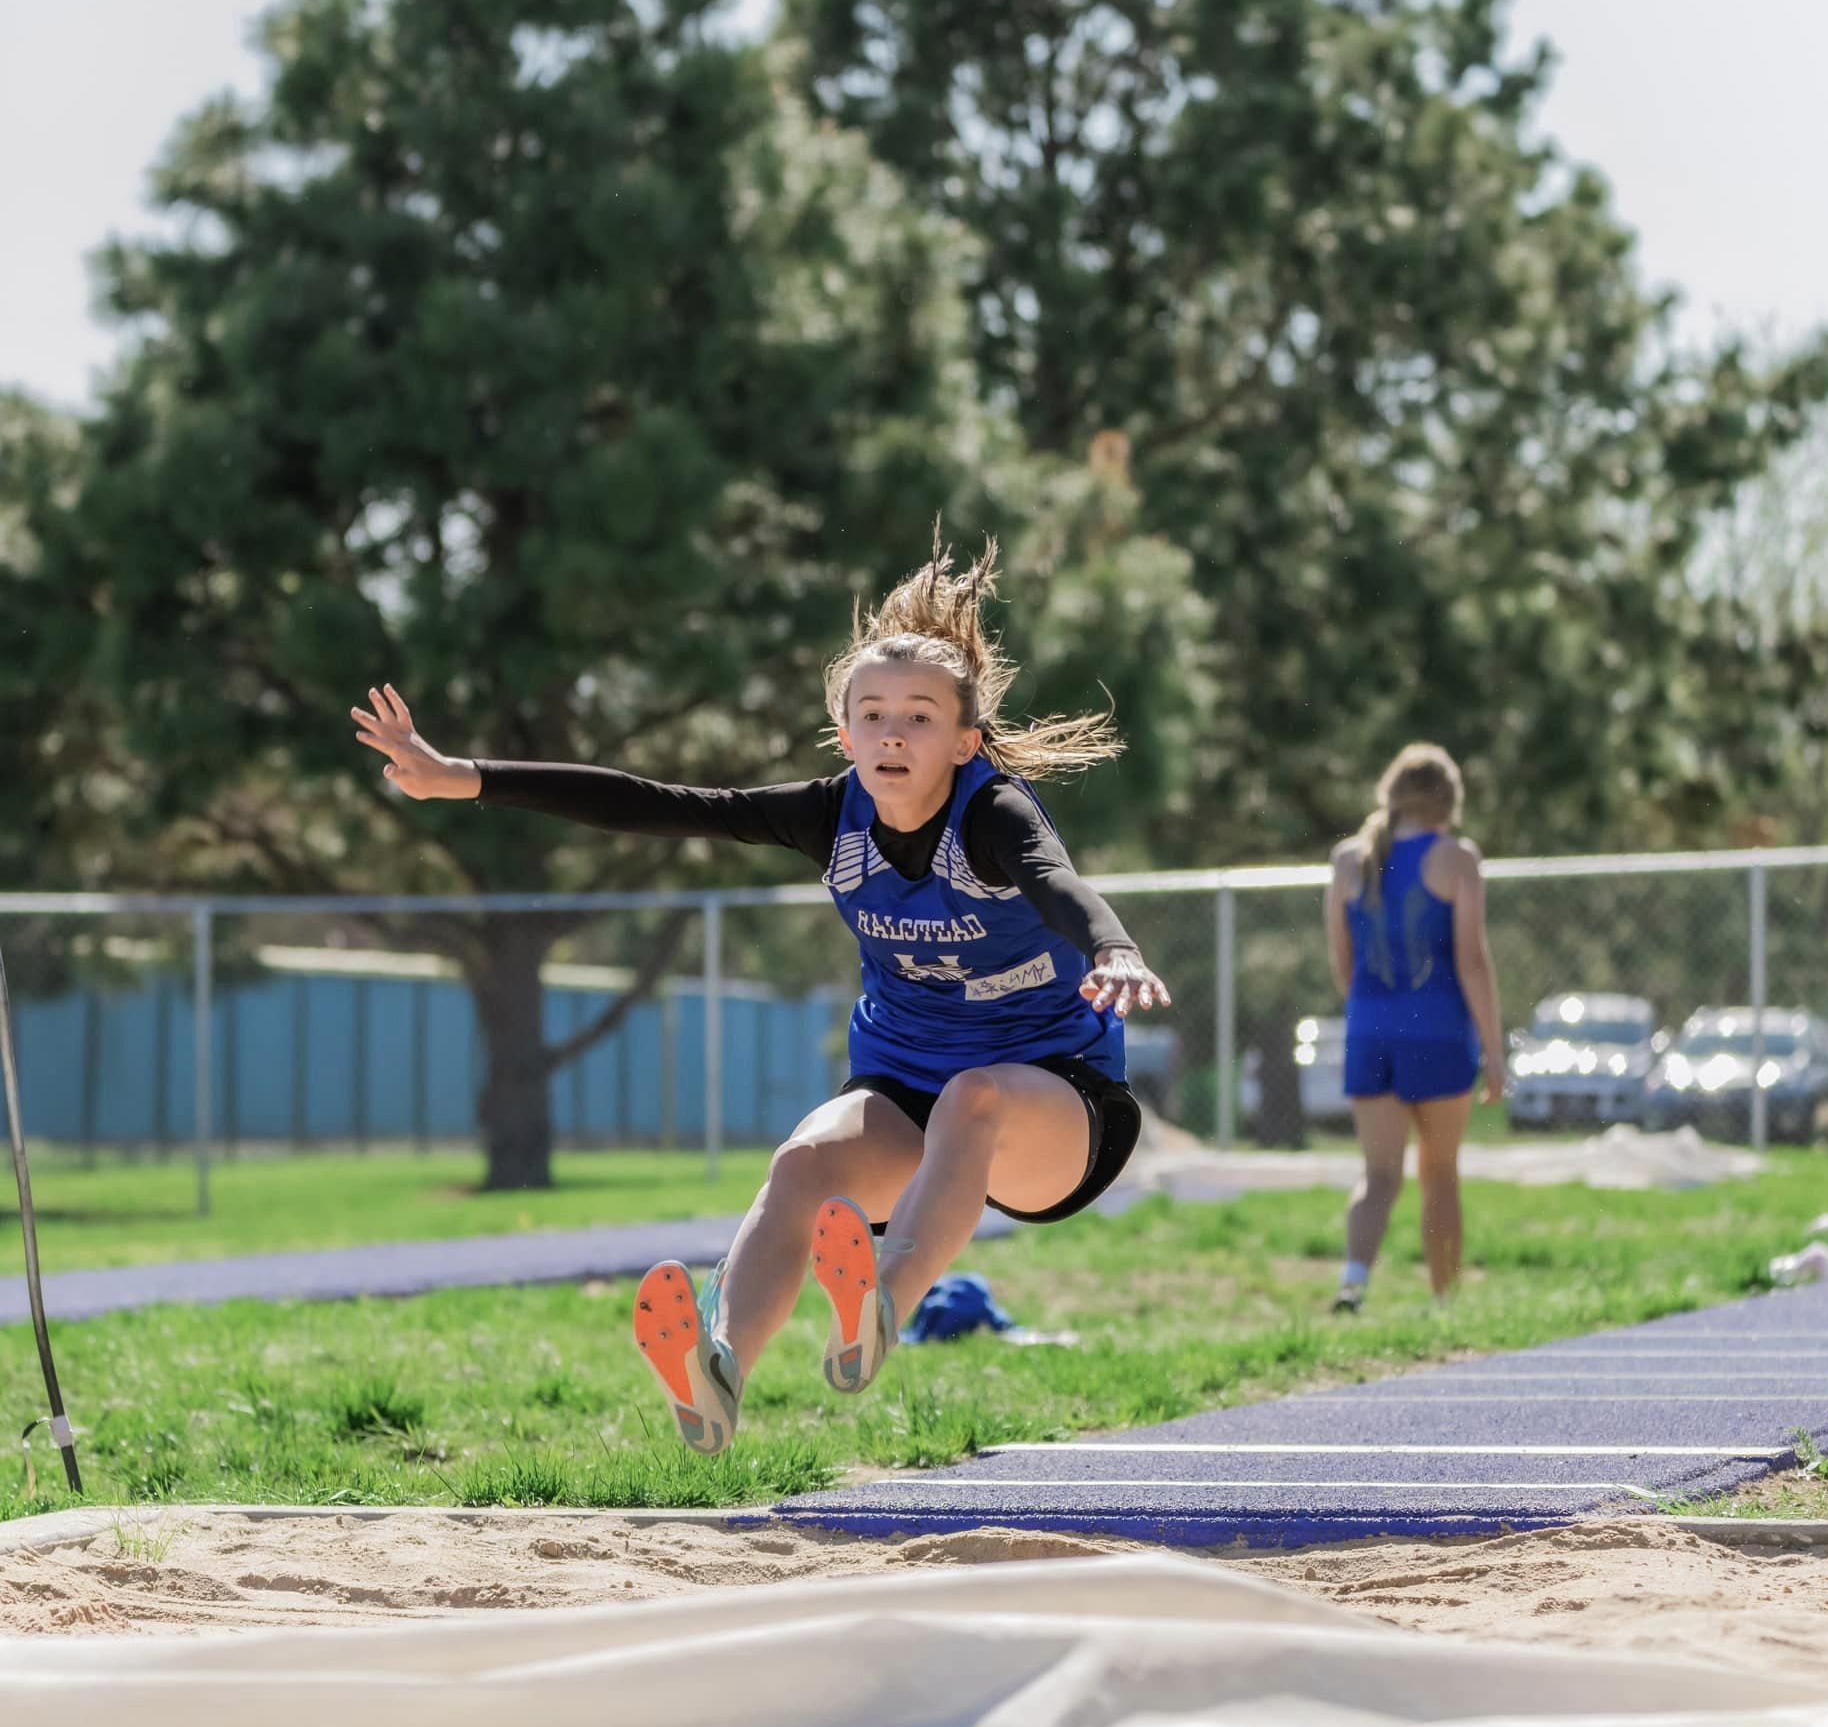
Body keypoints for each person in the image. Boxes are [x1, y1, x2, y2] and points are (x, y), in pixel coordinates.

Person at [351, 535, 1169, 1453]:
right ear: (844, 732)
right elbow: (658, 802)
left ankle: (879, 1309)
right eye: (873, 715)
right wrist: (462, 778)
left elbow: (1055, 880)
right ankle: (719, 1364)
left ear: (965, 741)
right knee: (801, 1165)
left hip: (1054, 1102)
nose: (893, 733)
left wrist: (1114, 945)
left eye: (921, 718)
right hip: (906, 1088)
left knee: (975, 1099)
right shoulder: (828, 815)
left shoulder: (991, 814)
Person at [1322, 743, 1504, 1315]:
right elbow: (1472, 961)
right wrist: (1494, 1051)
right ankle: (1444, 1303)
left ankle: (1352, 1284)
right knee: (1439, 1171)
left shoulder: (1348, 859)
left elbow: (1342, 964)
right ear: (1448, 802)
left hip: (1369, 1034)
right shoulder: (1457, 858)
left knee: (1378, 1175)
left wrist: (1374, 1017)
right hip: (1440, 1035)